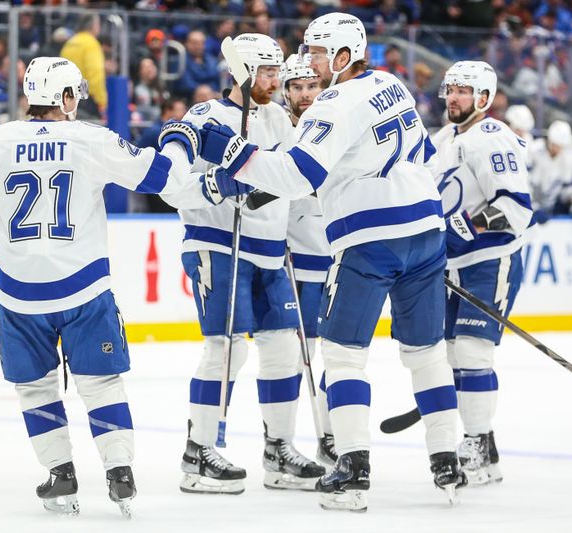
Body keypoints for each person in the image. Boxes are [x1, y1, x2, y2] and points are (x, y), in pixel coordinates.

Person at [196, 14, 464, 511]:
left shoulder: (336, 102)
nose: (311, 65)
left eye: (318, 54)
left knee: (341, 356)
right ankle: (447, 459)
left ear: (343, 57)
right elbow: (424, 154)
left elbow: (297, 176)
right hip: (426, 234)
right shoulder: (392, 83)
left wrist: (232, 153)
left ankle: (353, 469)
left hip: (370, 241)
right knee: (426, 353)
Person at [0, 57, 198, 518]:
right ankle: (119, 472)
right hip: (84, 290)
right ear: (65, 98)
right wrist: (179, 143)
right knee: (101, 383)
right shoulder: (90, 138)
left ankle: (60, 472)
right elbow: (164, 180)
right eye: (75, 95)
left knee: (35, 387)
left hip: (19, 295)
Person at [159, 34, 325, 496]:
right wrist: (216, 185)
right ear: (244, 72)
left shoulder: (277, 119)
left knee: (282, 348)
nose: (277, 81)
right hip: (219, 243)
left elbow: (294, 177)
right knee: (226, 348)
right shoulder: (207, 116)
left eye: (278, 72)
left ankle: (278, 450)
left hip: (270, 250)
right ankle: (199, 453)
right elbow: (171, 183)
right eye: (269, 72)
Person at [431, 61, 533, 485]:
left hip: (492, 259)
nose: (453, 97)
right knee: (455, 354)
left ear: (484, 98)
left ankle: (474, 440)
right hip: (454, 265)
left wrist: (471, 225)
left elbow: (516, 205)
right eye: (450, 89)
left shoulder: (491, 137)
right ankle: (486, 450)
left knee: (472, 353)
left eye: (463, 91)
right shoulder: (443, 139)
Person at [280, 53, 336, 468]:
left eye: (311, 86)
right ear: (285, 91)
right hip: (297, 263)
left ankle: (332, 434)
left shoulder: (338, 125)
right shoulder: (278, 130)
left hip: (337, 261)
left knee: (339, 356)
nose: (304, 94)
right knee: (294, 357)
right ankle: (281, 440)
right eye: (297, 87)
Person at [528, 120, 572, 223]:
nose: (558, 149)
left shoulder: (568, 157)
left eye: (561, 146)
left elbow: (567, 188)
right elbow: (524, 183)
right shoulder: (533, 150)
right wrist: (533, 206)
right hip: (528, 206)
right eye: (555, 145)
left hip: (551, 206)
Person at [60, 15, 107, 117]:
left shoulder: (70, 42)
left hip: (67, 96)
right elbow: (95, 74)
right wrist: (101, 101)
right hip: (86, 97)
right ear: (94, 26)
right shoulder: (91, 43)